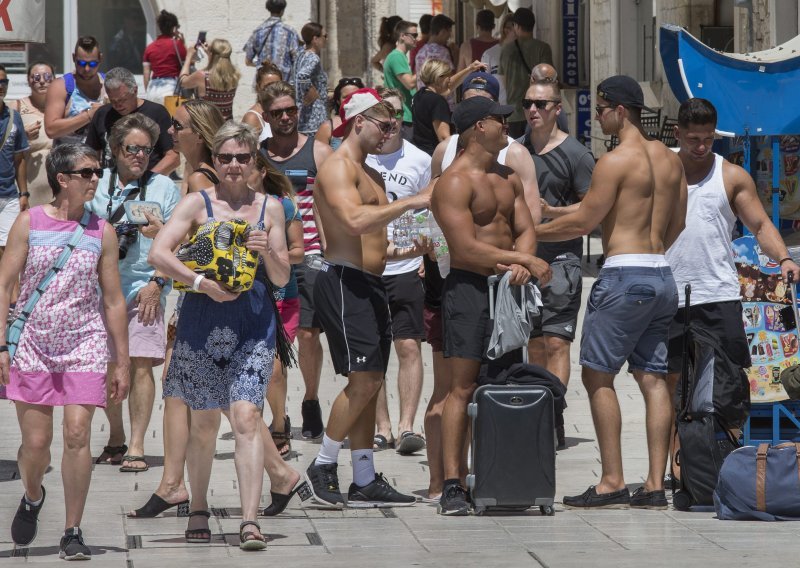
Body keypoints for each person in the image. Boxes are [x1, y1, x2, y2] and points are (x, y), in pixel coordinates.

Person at [535, 75, 687, 510]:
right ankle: (656, 485)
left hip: (625, 273)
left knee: (597, 374)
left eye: (601, 110)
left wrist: (530, 234)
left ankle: (611, 480)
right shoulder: (670, 161)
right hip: (661, 274)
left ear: (621, 111)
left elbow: (584, 222)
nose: (598, 117)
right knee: (653, 377)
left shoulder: (616, 160)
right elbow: (677, 224)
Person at [150, 121, 289, 549]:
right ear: (215, 160)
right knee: (204, 422)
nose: (233, 165)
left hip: (252, 321)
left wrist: (268, 251)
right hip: (201, 320)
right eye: (226, 157)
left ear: (253, 162)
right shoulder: (196, 203)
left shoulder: (271, 208)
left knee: (247, 415)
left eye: (242, 158)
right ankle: (198, 507)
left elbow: (283, 276)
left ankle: (250, 521)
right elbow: (160, 252)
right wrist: (199, 283)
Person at [1, 143, 130, 559]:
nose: (95, 178)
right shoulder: (29, 223)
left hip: (84, 342)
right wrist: (0, 345)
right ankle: (34, 495)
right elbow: (4, 286)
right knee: (36, 444)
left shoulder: (102, 231)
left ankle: (73, 529)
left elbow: (112, 300)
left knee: (77, 435)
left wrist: (120, 361)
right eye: (87, 172)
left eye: (98, 171)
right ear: (63, 179)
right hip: (33, 343)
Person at [305, 87, 427, 508]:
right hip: (344, 282)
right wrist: (414, 200)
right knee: (365, 379)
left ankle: (363, 476)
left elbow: (377, 243)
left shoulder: (370, 172)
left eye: (395, 124)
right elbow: (355, 222)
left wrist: (411, 251)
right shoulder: (338, 168)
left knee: (370, 384)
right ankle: (322, 463)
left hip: (373, 281)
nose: (390, 131)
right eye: (385, 122)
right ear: (359, 121)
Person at [432, 96, 551, 515]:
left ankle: (499, 472)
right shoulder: (454, 183)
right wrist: (523, 261)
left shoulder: (509, 177)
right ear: (479, 127)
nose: (508, 127)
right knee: (461, 387)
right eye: (501, 121)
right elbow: (463, 249)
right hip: (468, 289)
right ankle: (451, 482)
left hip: (507, 289)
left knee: (502, 384)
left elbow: (525, 229)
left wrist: (520, 262)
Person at [666, 98, 800, 424]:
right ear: (677, 133)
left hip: (717, 295)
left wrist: (783, 257)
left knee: (727, 392)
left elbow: (760, 225)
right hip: (666, 294)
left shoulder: (730, 176)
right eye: (693, 139)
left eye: (708, 139)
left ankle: (723, 466)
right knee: (670, 390)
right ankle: (674, 471)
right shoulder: (659, 169)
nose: (701, 147)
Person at [125, 100, 225, 519]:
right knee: (192, 393)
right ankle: (173, 483)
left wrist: (161, 253)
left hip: (201, 298)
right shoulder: (203, 175)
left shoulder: (200, 178)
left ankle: (173, 486)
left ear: (198, 134)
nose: (171, 134)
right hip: (201, 295)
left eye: (178, 127)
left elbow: (200, 244)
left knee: (187, 392)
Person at [88, 114, 180, 472]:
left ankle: (138, 445)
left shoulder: (164, 188)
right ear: (115, 150)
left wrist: (158, 284)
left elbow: (177, 243)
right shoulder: (96, 183)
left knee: (141, 366)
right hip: (101, 288)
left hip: (145, 288)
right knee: (110, 365)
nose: (140, 156)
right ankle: (115, 437)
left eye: (147, 149)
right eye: (133, 149)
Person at [520, 80, 595, 448]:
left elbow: (593, 207)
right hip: (524, 260)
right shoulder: (514, 151)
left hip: (562, 260)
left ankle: (554, 413)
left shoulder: (576, 154)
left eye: (541, 104)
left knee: (556, 344)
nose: (533, 110)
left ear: (557, 108)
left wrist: (552, 211)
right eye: (528, 103)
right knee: (533, 345)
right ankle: (536, 413)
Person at [259, 81, 333, 439]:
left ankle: (311, 398)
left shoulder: (318, 152)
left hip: (312, 256)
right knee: (274, 339)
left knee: (307, 334)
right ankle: (279, 417)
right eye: (277, 112)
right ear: (265, 114)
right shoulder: (257, 157)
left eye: (291, 110)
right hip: (270, 259)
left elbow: (335, 203)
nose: (286, 117)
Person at [366, 87, 432, 454]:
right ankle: (383, 426)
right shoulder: (362, 161)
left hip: (407, 264)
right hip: (371, 265)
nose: (389, 123)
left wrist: (425, 254)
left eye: (394, 116)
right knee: (374, 351)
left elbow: (428, 211)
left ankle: (408, 425)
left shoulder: (420, 160)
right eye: (383, 115)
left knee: (408, 345)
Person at [251, 153, 305, 458]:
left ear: (261, 171)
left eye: (247, 165)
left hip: (282, 297)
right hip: (242, 297)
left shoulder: (283, 205)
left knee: (273, 368)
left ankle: (279, 420)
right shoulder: (226, 207)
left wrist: (271, 252)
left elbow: (298, 252)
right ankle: (254, 423)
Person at [84, 67, 179, 175]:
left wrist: (146, 182)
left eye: (122, 99)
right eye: (112, 100)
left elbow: (173, 158)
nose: (117, 105)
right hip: (110, 187)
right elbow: (90, 156)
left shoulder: (157, 112)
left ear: (135, 90)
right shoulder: (102, 114)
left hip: (149, 184)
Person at [412, 58, 485, 155]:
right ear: (438, 78)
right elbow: (444, 138)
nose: (450, 80)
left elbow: (449, 87)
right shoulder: (437, 101)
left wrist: (469, 69)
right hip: (432, 156)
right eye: (448, 76)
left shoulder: (419, 96)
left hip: (418, 152)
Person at [500, 8, 553, 138]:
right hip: (538, 111)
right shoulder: (543, 48)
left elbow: (504, 81)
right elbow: (549, 77)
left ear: (516, 26)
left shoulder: (506, 49)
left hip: (515, 112)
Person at [44, 36, 105, 146]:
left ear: (100, 59)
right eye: (81, 63)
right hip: (69, 160)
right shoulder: (61, 86)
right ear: (73, 58)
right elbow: (51, 130)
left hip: (100, 161)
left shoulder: (109, 84)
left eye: (92, 64)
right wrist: (89, 115)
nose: (86, 69)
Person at [0, 64, 30, 260]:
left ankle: (9, 292)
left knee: (9, 253)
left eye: (4, 81)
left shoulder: (13, 116)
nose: (0, 86)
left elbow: (19, 159)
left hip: (8, 196)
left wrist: (24, 193)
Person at [16, 62, 55, 207]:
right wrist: (22, 136)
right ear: (28, 80)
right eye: (36, 77)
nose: (42, 81)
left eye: (47, 76)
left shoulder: (63, 108)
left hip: (57, 188)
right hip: (28, 186)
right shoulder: (16, 107)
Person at [180, 39, 240, 121]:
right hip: (227, 127)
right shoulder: (234, 75)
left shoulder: (202, 76)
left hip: (208, 127)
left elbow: (183, 82)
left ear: (212, 54)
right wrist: (210, 54)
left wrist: (188, 57)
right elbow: (218, 64)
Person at [244, 0, 301, 81]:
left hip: (263, 83)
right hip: (284, 82)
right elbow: (297, 59)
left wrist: (261, 63)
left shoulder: (258, 31)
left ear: (269, 9)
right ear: (282, 11)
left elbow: (248, 61)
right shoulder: (290, 32)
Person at [142, 10, 187, 106]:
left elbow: (146, 74)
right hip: (171, 88)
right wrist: (183, 44)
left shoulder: (150, 48)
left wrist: (148, 91)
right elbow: (187, 64)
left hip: (153, 89)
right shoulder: (177, 45)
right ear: (174, 28)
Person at [383, 20, 418, 141]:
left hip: (403, 114)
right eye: (414, 35)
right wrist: (425, 68)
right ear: (403, 36)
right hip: (402, 116)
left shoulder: (399, 56)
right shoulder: (396, 56)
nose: (416, 39)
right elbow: (409, 83)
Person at [294, 23, 328, 135]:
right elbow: (302, 75)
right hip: (314, 117)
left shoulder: (300, 55)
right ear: (315, 39)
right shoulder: (313, 57)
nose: (326, 39)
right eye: (324, 36)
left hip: (303, 115)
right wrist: (310, 91)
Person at [315, 77, 365, 150]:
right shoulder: (327, 127)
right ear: (338, 101)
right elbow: (318, 158)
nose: (351, 99)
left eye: (355, 95)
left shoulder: (372, 122)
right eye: (346, 97)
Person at [241, 61, 283, 144]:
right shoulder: (252, 118)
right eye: (268, 86)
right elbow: (246, 150)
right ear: (257, 88)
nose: (273, 90)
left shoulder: (284, 112)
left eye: (277, 85)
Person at [415, 14, 456, 93]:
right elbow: (450, 79)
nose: (450, 36)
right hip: (441, 101)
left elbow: (418, 82)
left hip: (424, 99)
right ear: (442, 32)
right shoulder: (442, 51)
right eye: (449, 32)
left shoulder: (421, 52)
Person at [481, 13, 516, 105]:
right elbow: (484, 84)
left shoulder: (525, 52)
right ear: (505, 30)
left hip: (521, 109)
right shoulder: (489, 54)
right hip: (498, 108)